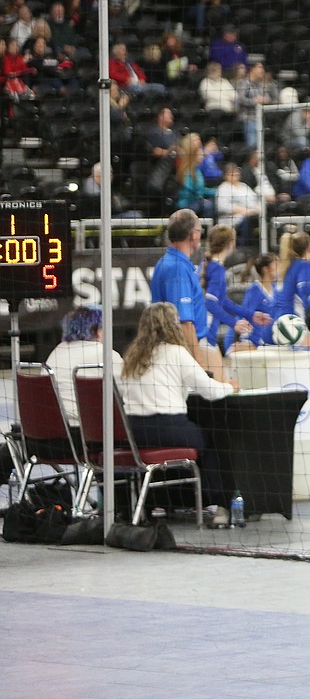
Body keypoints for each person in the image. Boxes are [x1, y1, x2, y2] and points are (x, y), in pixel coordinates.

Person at [119, 303, 238, 526]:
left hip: (135, 433)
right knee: (211, 441)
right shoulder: (176, 352)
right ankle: (221, 504)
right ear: (173, 325)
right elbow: (210, 391)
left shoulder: (132, 356)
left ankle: (162, 500)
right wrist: (230, 386)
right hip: (169, 428)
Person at [150, 209, 223, 381]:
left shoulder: (171, 263)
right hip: (184, 352)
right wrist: (200, 366)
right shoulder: (177, 268)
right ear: (193, 235)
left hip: (179, 350)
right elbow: (184, 323)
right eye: (199, 230)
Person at [45, 306, 124, 428]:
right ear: (98, 330)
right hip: (88, 431)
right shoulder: (105, 354)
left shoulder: (56, 352)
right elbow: (128, 392)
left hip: (52, 428)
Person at [202, 225, 271, 354]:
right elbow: (210, 303)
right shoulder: (216, 269)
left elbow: (223, 301)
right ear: (231, 244)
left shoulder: (208, 265)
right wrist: (234, 323)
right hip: (205, 332)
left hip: (203, 333)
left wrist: (251, 315)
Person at [225, 253, 278, 353]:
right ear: (265, 269)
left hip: (269, 341)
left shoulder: (276, 289)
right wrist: (245, 341)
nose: (279, 268)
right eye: (276, 264)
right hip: (253, 341)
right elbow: (245, 315)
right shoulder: (254, 290)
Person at [174, 133, 217, 217]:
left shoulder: (197, 170)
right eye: (200, 154)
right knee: (209, 205)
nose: (202, 156)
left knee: (214, 201)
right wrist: (200, 199)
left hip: (195, 202)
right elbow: (189, 191)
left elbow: (201, 189)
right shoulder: (186, 170)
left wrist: (216, 191)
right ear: (194, 155)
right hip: (186, 204)